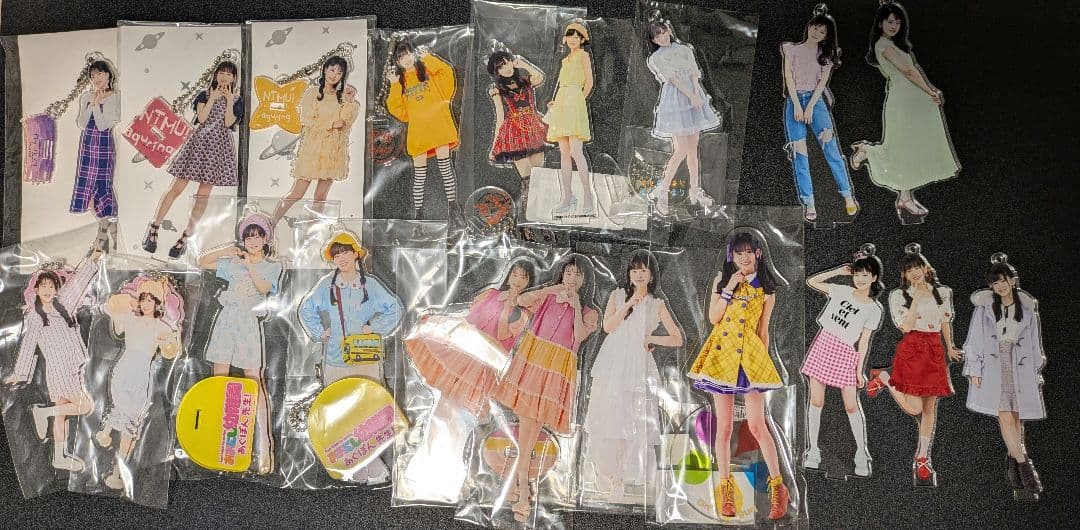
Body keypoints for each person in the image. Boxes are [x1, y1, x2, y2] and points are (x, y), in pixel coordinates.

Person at [402, 258, 536, 500]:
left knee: (462, 423)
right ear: (508, 275)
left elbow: (503, 335)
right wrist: (441, 325)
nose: (517, 280)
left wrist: (511, 303)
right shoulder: (491, 294)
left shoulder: (523, 313)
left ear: (529, 283)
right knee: (442, 413)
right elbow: (471, 318)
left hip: (485, 368)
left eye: (523, 277)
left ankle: (449, 479)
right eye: (515, 274)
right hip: (464, 356)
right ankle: (421, 471)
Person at [686, 230, 789, 520]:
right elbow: (714, 318)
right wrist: (730, 285)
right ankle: (725, 490)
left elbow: (763, 330)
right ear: (732, 256)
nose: (744, 258)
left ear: (758, 253)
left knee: (757, 425)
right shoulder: (722, 282)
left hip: (751, 356)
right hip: (722, 357)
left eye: (748, 252)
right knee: (724, 429)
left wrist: (763, 364)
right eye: (738, 253)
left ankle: (778, 487)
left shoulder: (766, 289)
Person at [493, 254, 599, 522]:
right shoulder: (549, 297)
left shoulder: (590, 312)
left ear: (585, 280)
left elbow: (579, 336)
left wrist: (576, 305)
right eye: (568, 273)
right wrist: (553, 289)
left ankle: (520, 490)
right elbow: (521, 300)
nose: (572, 278)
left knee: (529, 431)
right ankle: (521, 492)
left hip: (557, 370)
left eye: (578, 275)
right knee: (528, 430)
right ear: (562, 274)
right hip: (533, 362)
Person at [581, 250, 682, 499]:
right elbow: (608, 326)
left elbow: (677, 338)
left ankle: (620, 476)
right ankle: (604, 472)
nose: (638, 274)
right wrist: (628, 304)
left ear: (651, 275)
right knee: (610, 417)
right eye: (634, 270)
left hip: (639, 365)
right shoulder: (617, 295)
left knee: (632, 420)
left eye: (643, 270)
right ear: (628, 274)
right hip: (614, 362)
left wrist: (651, 338)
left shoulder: (657, 304)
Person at [849, 1, 959, 223]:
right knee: (903, 146)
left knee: (911, 147)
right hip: (904, 101)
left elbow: (912, 70)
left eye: (898, 22)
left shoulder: (893, 44)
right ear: (880, 24)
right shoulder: (883, 44)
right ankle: (871, 154)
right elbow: (909, 71)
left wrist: (928, 93)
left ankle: (905, 195)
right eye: (890, 21)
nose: (894, 26)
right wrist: (930, 90)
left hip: (912, 101)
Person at [865, 243, 961, 487]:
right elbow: (905, 327)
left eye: (918, 267)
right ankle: (885, 378)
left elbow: (945, 321)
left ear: (926, 268)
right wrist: (916, 299)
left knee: (930, 407)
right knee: (914, 408)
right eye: (909, 270)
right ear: (904, 275)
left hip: (935, 349)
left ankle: (923, 457)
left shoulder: (943, 292)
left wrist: (950, 346)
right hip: (913, 347)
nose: (915, 273)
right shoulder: (899, 295)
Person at [197, 212, 283, 474]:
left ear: (265, 239)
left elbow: (263, 288)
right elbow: (202, 261)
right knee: (219, 378)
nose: (253, 241)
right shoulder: (234, 263)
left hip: (248, 323)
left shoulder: (272, 266)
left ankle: (264, 446)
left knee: (254, 381)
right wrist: (229, 250)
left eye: (257, 236)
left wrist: (249, 264)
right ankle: (219, 441)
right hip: (226, 321)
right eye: (248, 236)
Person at [3, 247, 103, 472]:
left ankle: (59, 457)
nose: (48, 290)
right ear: (36, 289)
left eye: (52, 286)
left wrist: (92, 260)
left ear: (57, 289)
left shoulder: (64, 306)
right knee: (84, 405)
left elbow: (78, 284)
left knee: (63, 415)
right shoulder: (35, 316)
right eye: (44, 286)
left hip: (73, 368)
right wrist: (20, 374)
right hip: (59, 371)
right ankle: (43, 412)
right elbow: (28, 346)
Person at [962, 254, 1045, 499]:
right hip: (993, 366)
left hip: (1020, 367)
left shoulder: (1028, 311)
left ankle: (1014, 477)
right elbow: (974, 339)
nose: (1000, 286)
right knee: (1005, 418)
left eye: (1003, 280)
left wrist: (1036, 371)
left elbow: (1035, 345)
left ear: (1012, 280)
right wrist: (974, 369)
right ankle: (1026, 469)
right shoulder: (984, 309)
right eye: (995, 282)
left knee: (1017, 421)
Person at [145, 60, 245, 259]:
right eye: (221, 73)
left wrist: (229, 101)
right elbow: (202, 118)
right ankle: (154, 226)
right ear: (215, 74)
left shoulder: (237, 100)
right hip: (198, 144)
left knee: (203, 194)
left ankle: (187, 235)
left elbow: (228, 123)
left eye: (229, 74)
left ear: (234, 78)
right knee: (176, 188)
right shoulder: (204, 94)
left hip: (218, 148)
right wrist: (213, 97)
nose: (224, 77)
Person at [800, 245, 883, 477]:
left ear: (874, 277)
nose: (860, 279)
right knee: (816, 401)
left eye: (866, 274)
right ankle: (813, 450)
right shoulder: (841, 291)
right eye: (857, 274)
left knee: (851, 405)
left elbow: (864, 342)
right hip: (824, 344)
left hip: (846, 352)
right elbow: (812, 281)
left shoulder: (874, 309)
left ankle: (861, 453)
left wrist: (859, 370)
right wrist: (839, 271)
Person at [94, 276, 182, 490]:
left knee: (133, 420)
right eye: (143, 299)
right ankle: (106, 432)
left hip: (143, 372)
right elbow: (109, 306)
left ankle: (117, 468)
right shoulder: (130, 318)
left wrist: (170, 340)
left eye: (150, 300)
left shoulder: (161, 326)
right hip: (125, 367)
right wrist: (129, 299)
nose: (146, 304)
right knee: (123, 407)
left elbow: (173, 351)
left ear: (158, 303)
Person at [780, 5, 857, 222]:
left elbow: (822, 83)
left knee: (831, 149)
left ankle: (848, 195)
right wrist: (797, 105)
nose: (817, 33)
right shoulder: (790, 49)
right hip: (794, 101)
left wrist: (810, 106)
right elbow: (788, 78)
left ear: (826, 36)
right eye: (815, 28)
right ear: (809, 26)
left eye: (822, 31)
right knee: (800, 154)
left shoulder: (826, 55)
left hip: (816, 102)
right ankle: (809, 202)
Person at [644, 15, 721, 215]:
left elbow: (694, 73)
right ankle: (662, 191)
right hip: (676, 100)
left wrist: (697, 94)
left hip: (693, 97)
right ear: (653, 40)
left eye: (663, 32)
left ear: (669, 30)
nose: (662, 38)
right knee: (681, 150)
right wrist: (691, 96)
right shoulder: (656, 58)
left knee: (693, 150)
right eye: (657, 36)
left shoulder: (685, 49)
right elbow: (673, 79)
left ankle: (695, 190)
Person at [271, 56, 360, 225]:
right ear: (325, 69)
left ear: (343, 76)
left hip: (332, 152)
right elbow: (307, 120)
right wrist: (330, 124)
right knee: (297, 193)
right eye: (332, 70)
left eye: (339, 72)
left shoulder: (342, 97)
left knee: (320, 196)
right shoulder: (312, 93)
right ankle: (272, 221)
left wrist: (349, 101)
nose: (334, 75)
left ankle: (311, 230)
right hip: (313, 150)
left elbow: (346, 123)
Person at [385, 38, 460, 220]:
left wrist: (429, 58)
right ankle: (418, 214)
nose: (406, 59)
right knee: (419, 175)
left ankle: (454, 208)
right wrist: (394, 85)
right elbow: (398, 110)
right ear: (397, 61)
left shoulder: (428, 71)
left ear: (414, 54)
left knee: (446, 168)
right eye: (401, 57)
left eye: (408, 54)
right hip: (419, 133)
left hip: (439, 127)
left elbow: (447, 74)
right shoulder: (401, 82)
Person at [544, 21, 595, 216]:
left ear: (582, 40)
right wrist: (556, 103)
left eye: (577, 36)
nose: (573, 39)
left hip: (574, 102)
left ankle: (588, 195)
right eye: (570, 36)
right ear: (565, 38)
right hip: (562, 102)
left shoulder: (583, 55)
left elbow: (589, 82)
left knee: (576, 151)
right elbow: (562, 85)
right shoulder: (565, 60)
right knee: (564, 152)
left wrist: (578, 101)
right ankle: (567, 197)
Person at [487, 51, 547, 217]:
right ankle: (526, 220)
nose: (506, 68)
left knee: (539, 177)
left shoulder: (526, 81)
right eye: (500, 67)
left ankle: (541, 217)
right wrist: (494, 146)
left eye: (507, 63)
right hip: (515, 134)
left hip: (534, 130)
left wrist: (524, 64)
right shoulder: (498, 90)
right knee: (527, 180)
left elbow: (540, 77)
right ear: (497, 72)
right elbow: (500, 117)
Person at [70, 59, 121, 251]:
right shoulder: (87, 96)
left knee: (102, 187)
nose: (96, 78)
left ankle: (104, 233)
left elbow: (103, 126)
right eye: (92, 75)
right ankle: (110, 230)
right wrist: (92, 103)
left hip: (103, 145)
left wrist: (98, 104)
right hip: (87, 144)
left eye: (99, 73)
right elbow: (82, 123)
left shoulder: (114, 97)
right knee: (88, 189)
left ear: (108, 74)